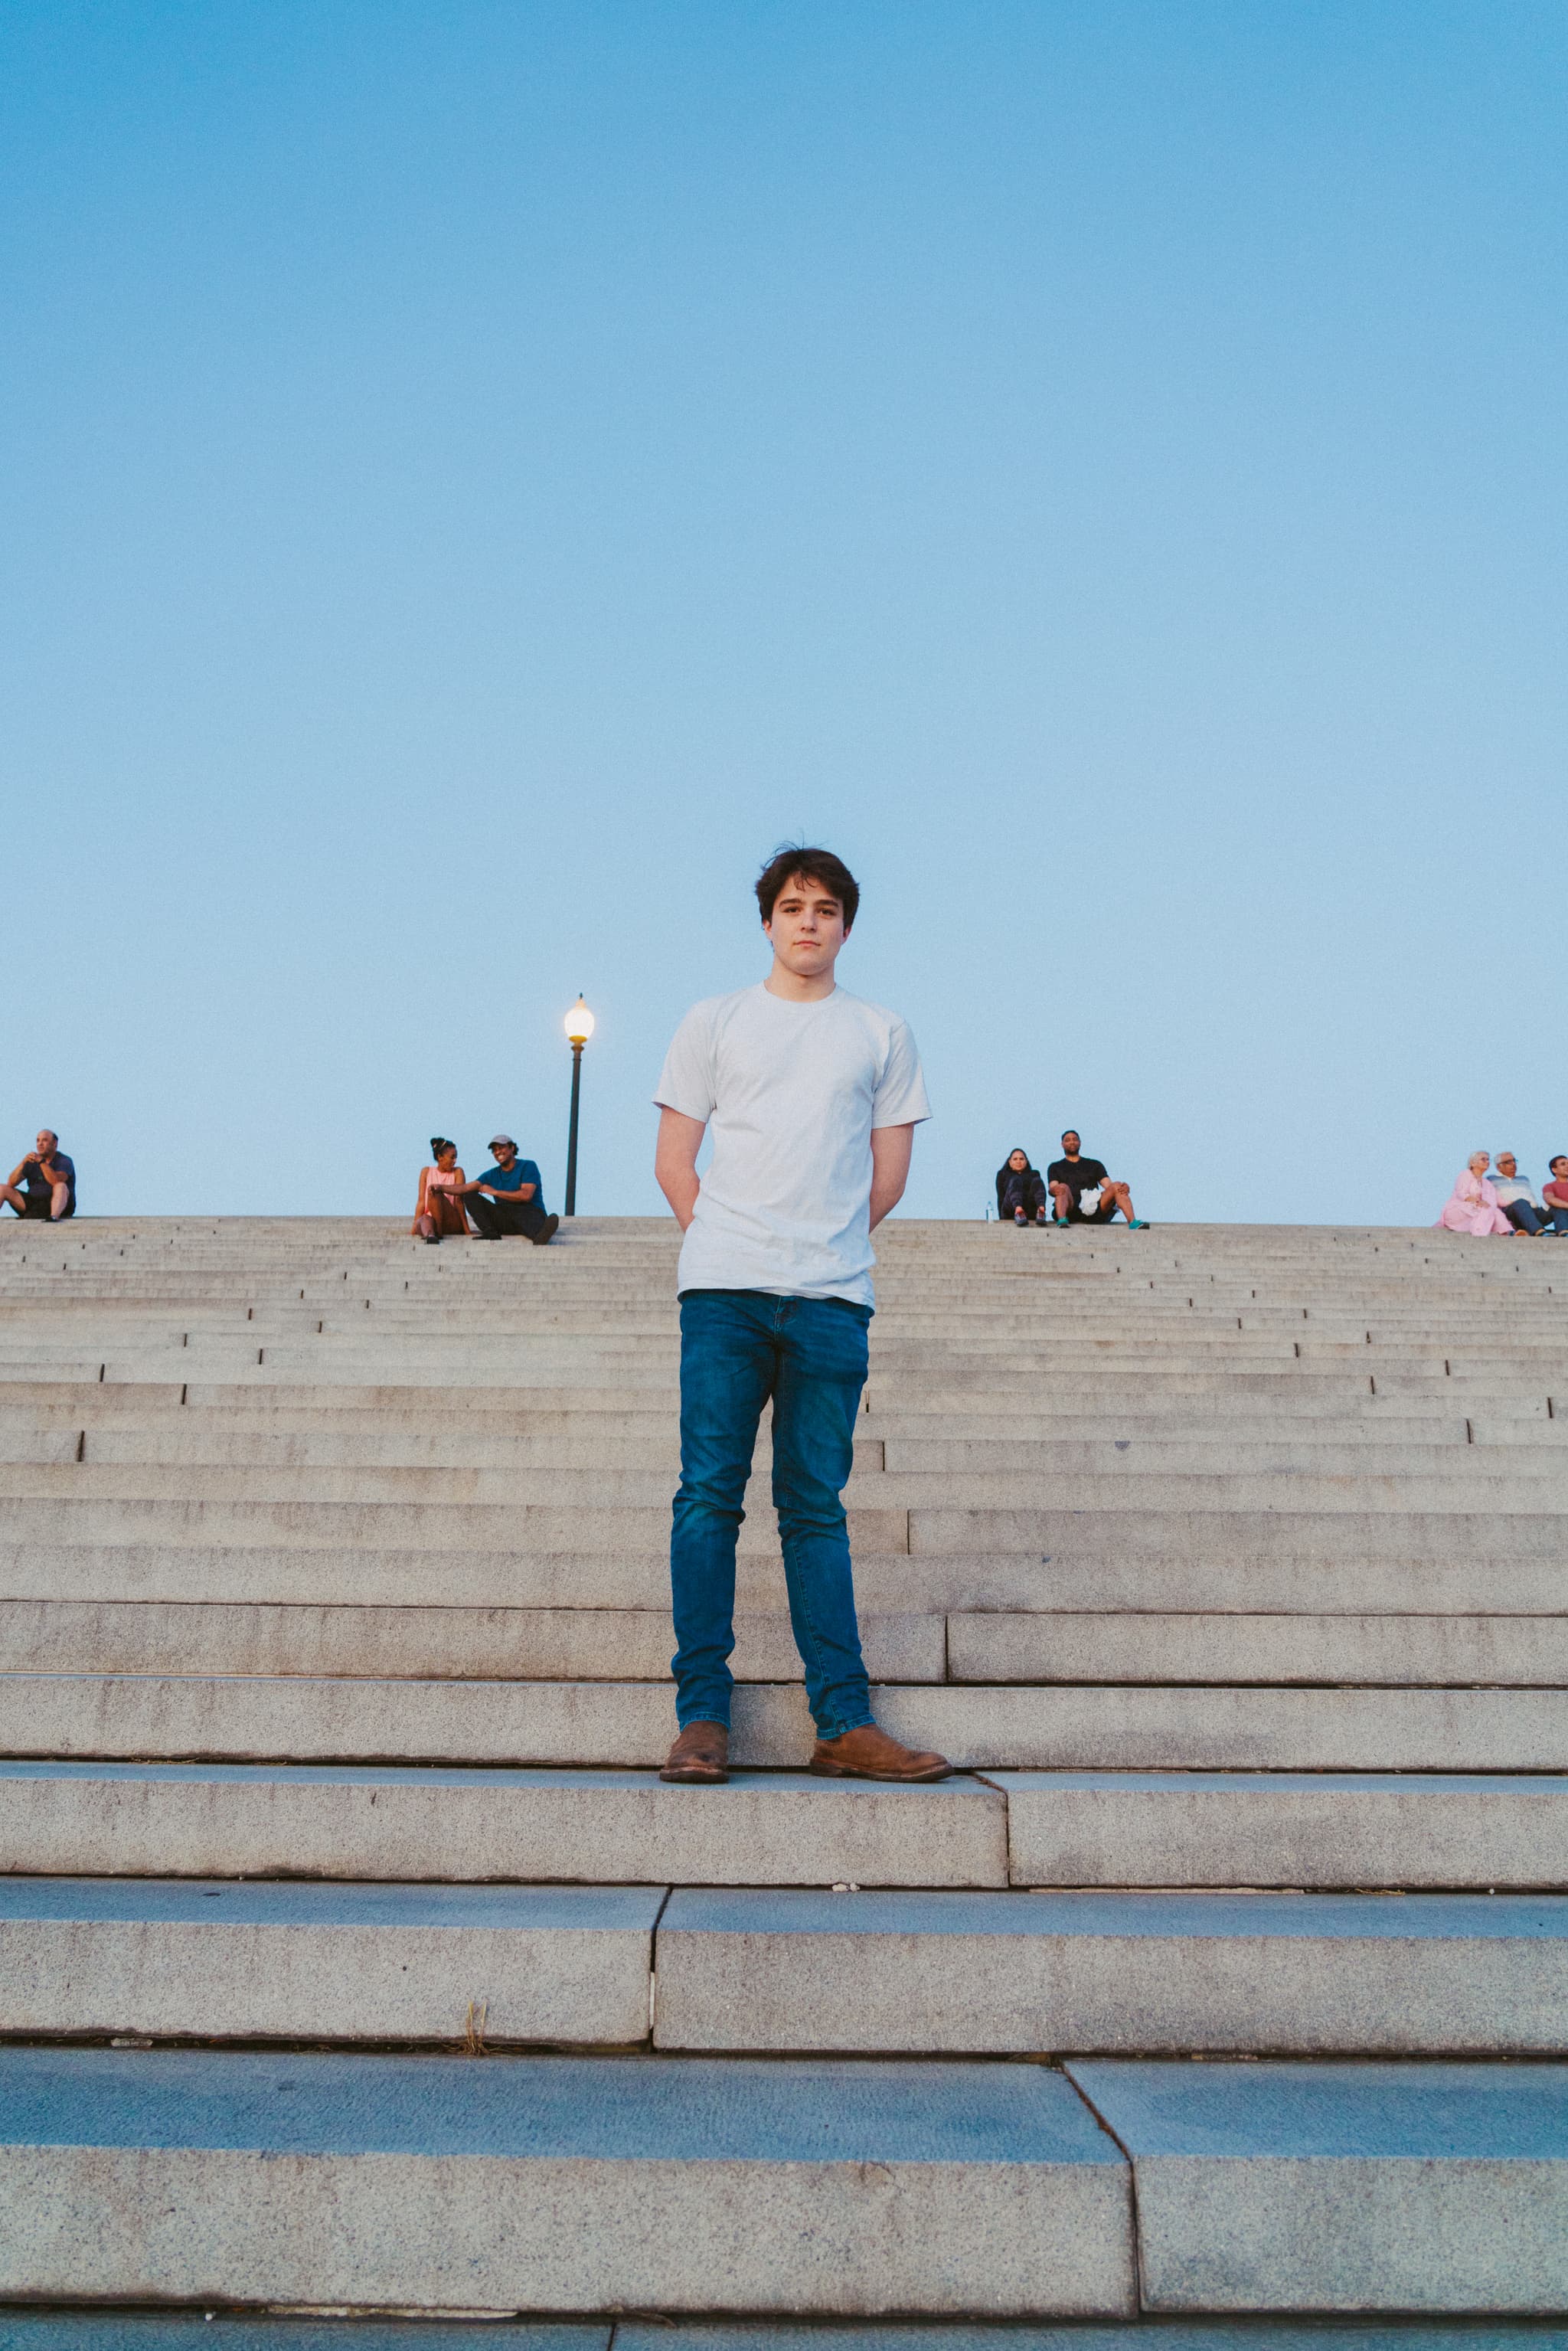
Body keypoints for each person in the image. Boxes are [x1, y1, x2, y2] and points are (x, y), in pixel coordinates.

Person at [652, 843, 950, 1787]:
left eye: (824, 908)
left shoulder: (879, 1030)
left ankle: (843, 1721)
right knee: (708, 1496)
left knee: (812, 1509)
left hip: (830, 1299)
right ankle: (702, 1716)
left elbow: (889, 1173)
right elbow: (673, 1160)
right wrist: (729, 1241)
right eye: (791, 906)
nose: (807, 921)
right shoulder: (714, 1020)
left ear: (846, 927)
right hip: (724, 1291)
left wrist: (818, 1247)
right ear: (768, 922)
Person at [461, 1135, 559, 1244]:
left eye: (501, 1148)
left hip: (528, 1212)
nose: (498, 1152)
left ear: (512, 1148)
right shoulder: (492, 1174)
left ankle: (539, 1235)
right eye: (495, 1150)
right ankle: (490, 1232)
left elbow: (526, 1196)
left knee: (524, 1214)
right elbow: (465, 1188)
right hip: (506, 1218)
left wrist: (495, 1192)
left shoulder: (528, 1166)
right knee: (470, 1196)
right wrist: (440, 1187)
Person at [1047, 1131, 1145, 1228]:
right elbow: (1053, 1188)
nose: (1072, 1142)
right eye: (1067, 1140)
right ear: (1062, 1144)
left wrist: (1123, 1187)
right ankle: (1062, 1221)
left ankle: (1132, 1222)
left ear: (1080, 1142)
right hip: (1070, 1208)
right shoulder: (1055, 1167)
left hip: (1094, 1206)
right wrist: (1054, 1190)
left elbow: (1109, 1186)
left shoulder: (1094, 1164)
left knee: (1117, 1186)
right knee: (1062, 1187)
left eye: (1075, 1139)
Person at [2, 1132, 75, 1223]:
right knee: (2, 1189)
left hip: (58, 1207)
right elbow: (11, 1183)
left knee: (60, 1186)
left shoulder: (64, 1161)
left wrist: (42, 1163)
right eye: (38, 1141)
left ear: (55, 1143)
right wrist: (23, 1163)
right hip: (34, 1206)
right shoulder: (32, 1161)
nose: (40, 1144)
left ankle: (53, 1218)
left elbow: (56, 1181)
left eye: (45, 1140)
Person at [411, 1139, 472, 1244]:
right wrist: (414, 1228)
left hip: (450, 1219)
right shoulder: (426, 1172)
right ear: (440, 1157)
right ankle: (430, 1236)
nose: (455, 1161)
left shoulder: (458, 1172)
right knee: (424, 1219)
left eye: (456, 1157)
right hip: (432, 1220)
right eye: (452, 1157)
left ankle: (438, 1232)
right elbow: (421, 1201)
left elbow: (459, 1201)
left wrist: (467, 1231)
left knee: (435, 1192)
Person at [1436, 1153, 1511, 1235]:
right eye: (1483, 1159)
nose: (1487, 1162)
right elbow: (1461, 1193)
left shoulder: (1487, 1183)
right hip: (1458, 1211)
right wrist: (1479, 1202)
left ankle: (1508, 1232)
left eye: (1488, 1159)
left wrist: (1520, 1201)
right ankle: (1479, 1234)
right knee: (1485, 1210)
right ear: (1473, 1163)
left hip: (1477, 1211)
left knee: (1495, 1211)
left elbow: (1499, 1201)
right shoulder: (1465, 1174)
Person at [1490, 1153, 1545, 1236]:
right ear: (1499, 1167)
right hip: (1511, 1211)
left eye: (1514, 1161)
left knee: (1555, 1207)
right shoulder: (1491, 1179)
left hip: (1531, 1210)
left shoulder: (1524, 1178)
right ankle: (1539, 1231)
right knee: (1521, 1202)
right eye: (1509, 1162)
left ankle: (1564, 1231)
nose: (1513, 1164)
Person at [996, 1147, 1049, 1225]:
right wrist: (1001, 1218)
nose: (1018, 1161)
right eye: (1015, 1159)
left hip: (1029, 1208)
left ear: (1026, 1161)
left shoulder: (1034, 1174)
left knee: (1037, 1181)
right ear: (1010, 1162)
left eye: (1021, 1159)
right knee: (1015, 1180)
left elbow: (1039, 1191)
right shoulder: (1002, 1175)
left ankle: (1041, 1211)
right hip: (1010, 1210)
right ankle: (1019, 1212)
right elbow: (1001, 1197)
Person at [1543, 1156, 1568, 1238]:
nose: (1567, 1166)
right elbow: (1550, 1200)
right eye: (1563, 1164)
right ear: (1554, 1170)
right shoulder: (1550, 1186)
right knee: (1558, 1207)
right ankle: (1564, 1233)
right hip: (1560, 1216)